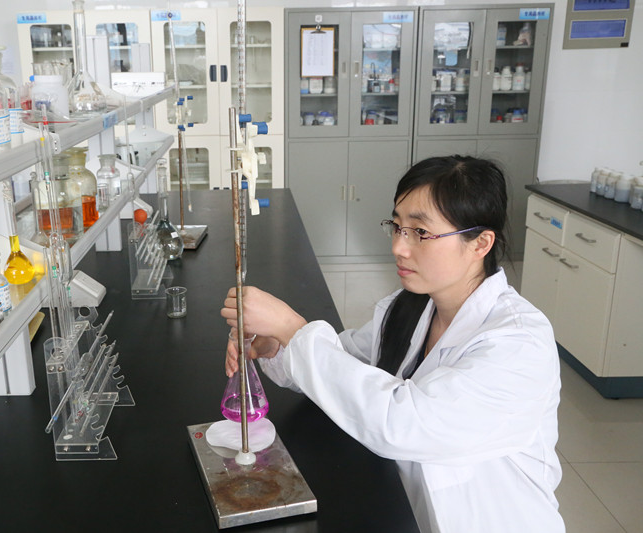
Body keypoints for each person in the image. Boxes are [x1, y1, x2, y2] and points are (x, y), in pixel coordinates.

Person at [221, 156, 563, 533]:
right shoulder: (413, 306)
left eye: (421, 232)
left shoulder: (520, 343)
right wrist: (277, 346)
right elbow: (344, 364)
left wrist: (293, 328)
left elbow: (403, 423)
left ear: (480, 243)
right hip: (405, 509)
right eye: (397, 227)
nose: (399, 247)